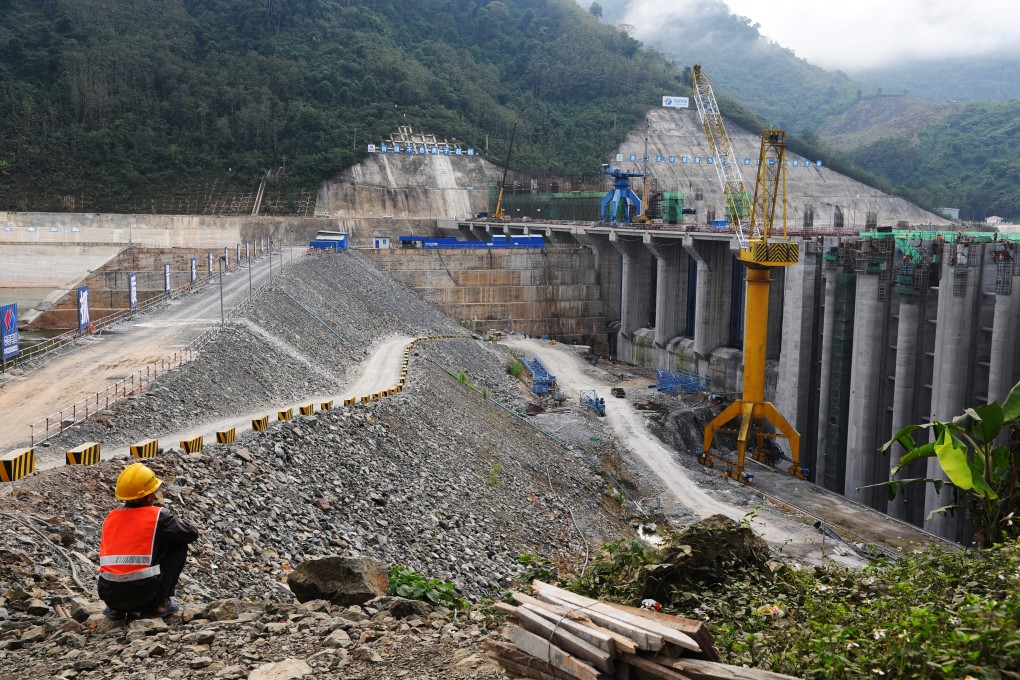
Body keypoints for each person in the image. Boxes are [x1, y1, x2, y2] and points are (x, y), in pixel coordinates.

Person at [98, 463, 199, 619]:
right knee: (178, 543)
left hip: (110, 597)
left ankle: (118, 610)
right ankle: (161, 604)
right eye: (153, 492)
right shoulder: (157, 517)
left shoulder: (110, 518)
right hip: (146, 597)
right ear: (147, 496)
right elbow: (190, 534)